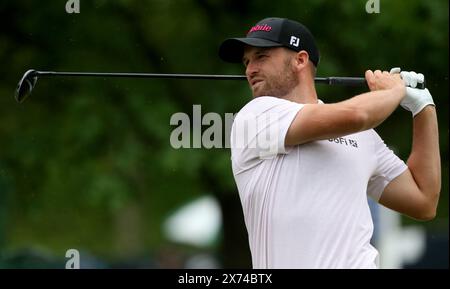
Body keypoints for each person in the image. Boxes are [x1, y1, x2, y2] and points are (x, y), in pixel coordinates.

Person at [218, 17, 441, 269]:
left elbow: (424, 200)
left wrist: (423, 108)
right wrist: (393, 91)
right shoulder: (255, 117)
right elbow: (357, 115)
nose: (250, 70)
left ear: (300, 60)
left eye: (261, 57)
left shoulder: (363, 136)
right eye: (247, 62)